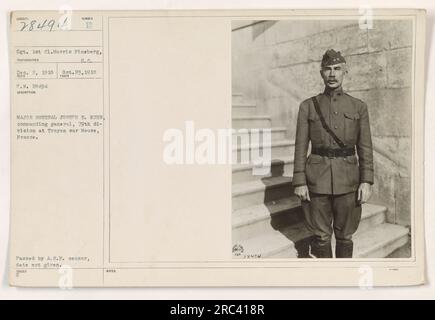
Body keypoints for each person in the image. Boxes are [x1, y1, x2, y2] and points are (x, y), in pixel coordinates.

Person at [292, 49, 374, 258]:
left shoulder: (359, 107)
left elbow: (365, 147)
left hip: (348, 181)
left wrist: (367, 181)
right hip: (316, 180)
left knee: (345, 236)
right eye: (327, 69)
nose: (332, 74)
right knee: (321, 236)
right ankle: (327, 280)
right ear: (321, 73)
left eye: (337, 69)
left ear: (345, 72)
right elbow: (300, 147)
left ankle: (344, 281)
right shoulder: (308, 107)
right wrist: (299, 181)